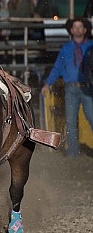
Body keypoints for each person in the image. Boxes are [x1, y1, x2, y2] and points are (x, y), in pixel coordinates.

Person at [41, 18, 93, 157]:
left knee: (92, 117)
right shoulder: (66, 48)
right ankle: (73, 153)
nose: (77, 29)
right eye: (74, 27)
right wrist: (48, 84)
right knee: (70, 121)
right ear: (71, 30)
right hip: (70, 88)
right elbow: (57, 67)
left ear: (85, 30)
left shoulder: (91, 46)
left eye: (80, 27)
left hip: (87, 88)